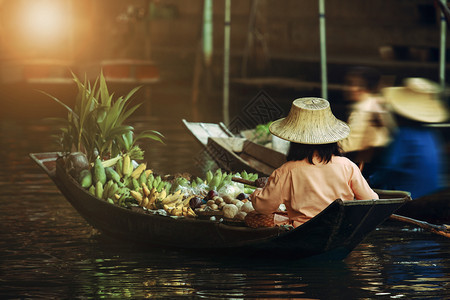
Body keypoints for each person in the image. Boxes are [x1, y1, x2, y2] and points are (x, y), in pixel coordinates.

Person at [247, 97, 379, 228]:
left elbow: (264, 207)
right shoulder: (347, 165)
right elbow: (371, 200)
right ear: (332, 140)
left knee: (251, 217)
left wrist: (257, 193)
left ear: (294, 141)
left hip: (303, 228)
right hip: (340, 226)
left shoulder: (286, 171)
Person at [369, 78, 449, 199]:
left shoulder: (405, 134)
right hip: (430, 194)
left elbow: (389, 168)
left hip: (411, 199)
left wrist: (367, 182)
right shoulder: (432, 134)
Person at [339, 67, 396, 174]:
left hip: (367, 167)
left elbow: (348, 144)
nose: (346, 88)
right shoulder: (378, 104)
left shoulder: (362, 110)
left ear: (363, 88)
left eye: (351, 84)